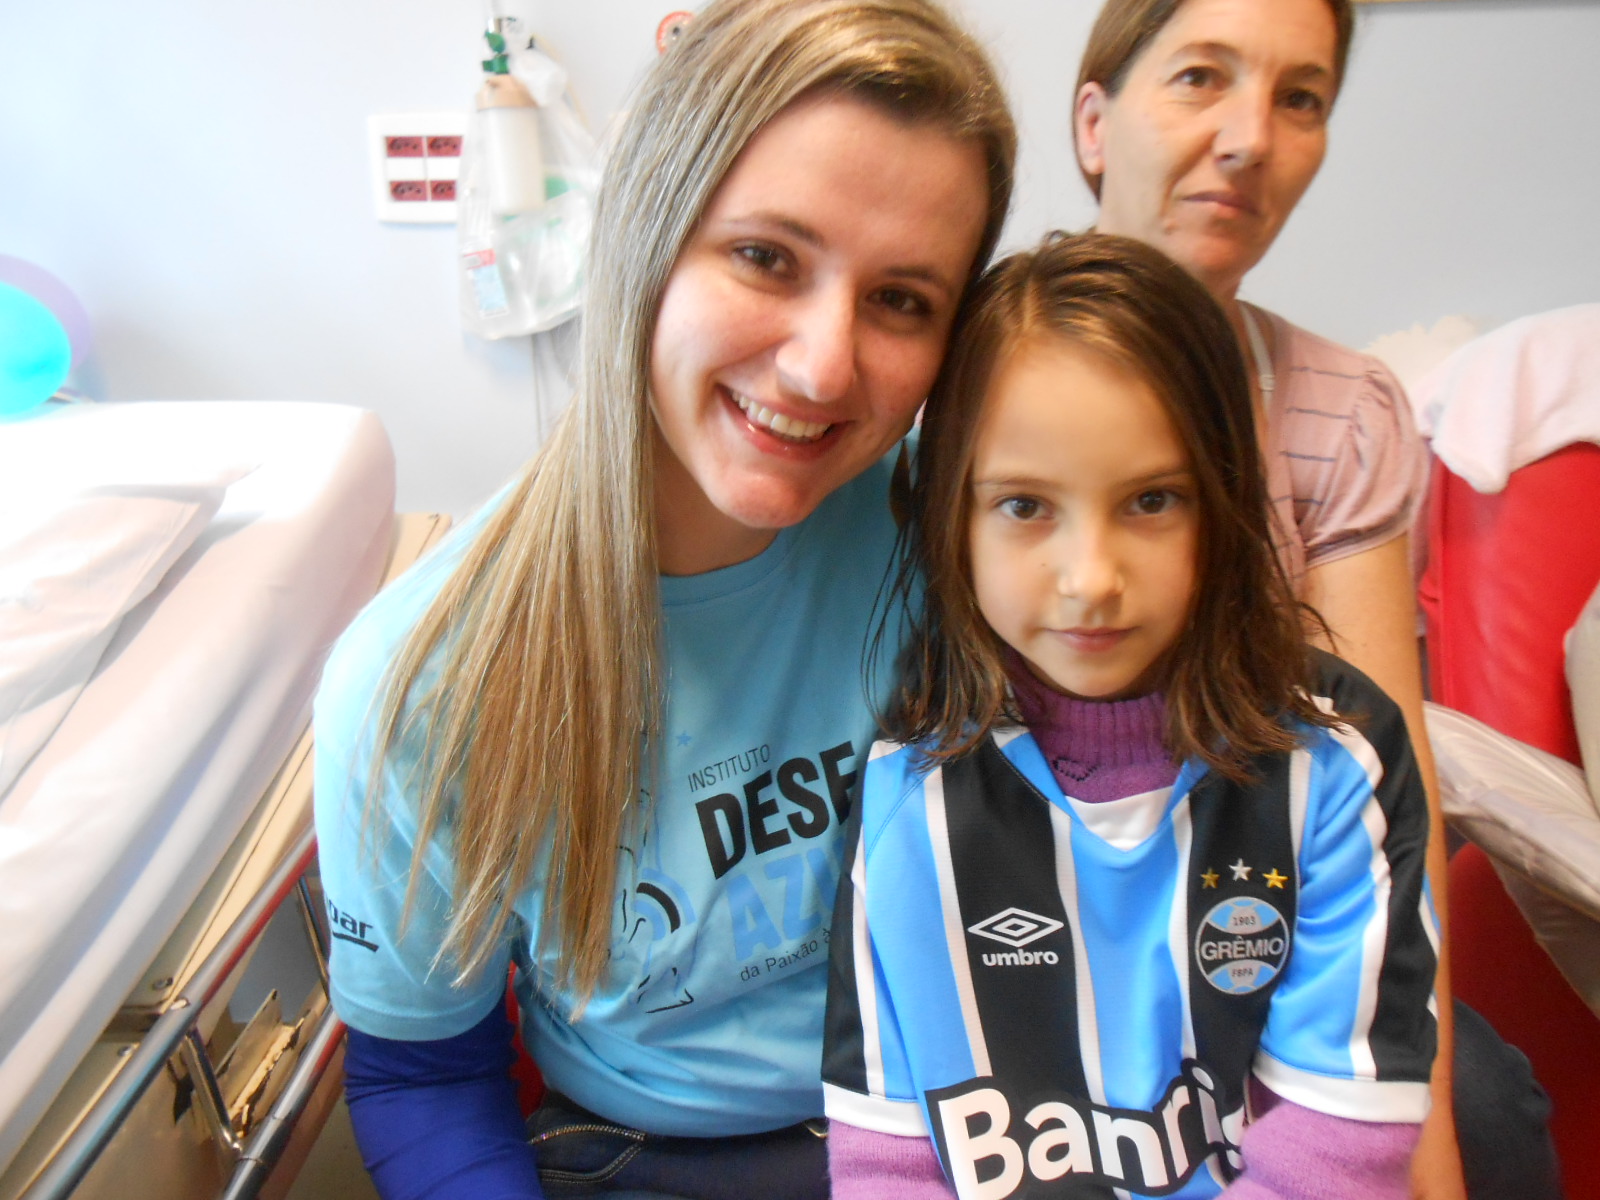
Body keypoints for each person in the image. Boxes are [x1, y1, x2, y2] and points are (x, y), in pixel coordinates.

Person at [311, 3, 1016, 1198]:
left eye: (902, 300)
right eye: (766, 257)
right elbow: (423, 1077)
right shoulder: (422, 683)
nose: (820, 367)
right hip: (658, 1156)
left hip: (984, 1118)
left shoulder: (969, 550)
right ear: (644, 232)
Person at [823, 231, 1437, 1198]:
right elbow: (886, 1166)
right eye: (1025, 506)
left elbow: (1337, 1149)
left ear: (1225, 501)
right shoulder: (909, 798)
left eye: (1152, 500)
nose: (1092, 580)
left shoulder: (1335, 765)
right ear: (951, 516)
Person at [1068, 2, 1559, 1196]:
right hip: (1032, 918)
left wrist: (1421, 1098)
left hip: (1274, 931)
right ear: (1095, 122)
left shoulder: (1340, 411)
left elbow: (1384, 781)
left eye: (1300, 98)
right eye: (1199, 78)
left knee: (1485, 1110)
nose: (1249, 138)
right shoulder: (972, 374)